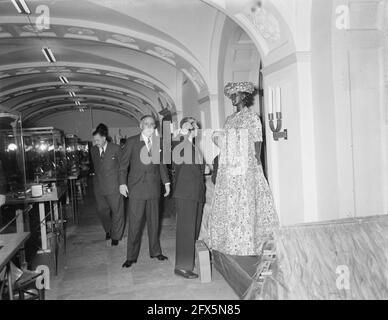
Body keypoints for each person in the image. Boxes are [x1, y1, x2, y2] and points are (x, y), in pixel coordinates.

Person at [205, 82, 279, 256]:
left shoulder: (251, 117)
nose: (233, 98)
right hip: (229, 166)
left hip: (245, 164)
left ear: (244, 96)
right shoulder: (229, 119)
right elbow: (225, 140)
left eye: (236, 95)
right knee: (231, 201)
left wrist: (257, 161)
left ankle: (248, 242)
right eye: (231, 95)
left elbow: (257, 140)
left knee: (245, 201)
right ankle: (230, 240)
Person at [120, 115, 170, 268]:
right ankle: (131, 256)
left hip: (154, 188)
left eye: (152, 124)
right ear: (141, 126)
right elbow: (123, 166)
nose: (150, 127)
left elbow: (161, 165)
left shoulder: (157, 142)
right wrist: (122, 184)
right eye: (146, 124)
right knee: (135, 224)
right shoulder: (132, 142)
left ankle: (155, 251)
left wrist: (166, 182)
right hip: (136, 189)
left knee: (154, 222)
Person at [172, 117, 206, 279]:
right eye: (191, 124)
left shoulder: (193, 146)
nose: (195, 126)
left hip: (195, 192)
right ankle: (182, 267)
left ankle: (188, 262)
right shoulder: (180, 144)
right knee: (186, 231)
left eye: (195, 124)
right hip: (185, 194)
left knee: (193, 230)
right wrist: (181, 133)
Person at [90, 123, 125, 246]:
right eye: (94, 140)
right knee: (102, 211)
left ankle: (116, 235)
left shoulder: (115, 148)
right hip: (99, 187)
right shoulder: (93, 150)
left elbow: (123, 167)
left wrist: (123, 184)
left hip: (114, 186)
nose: (96, 142)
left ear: (104, 138)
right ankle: (108, 229)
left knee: (117, 211)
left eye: (98, 140)